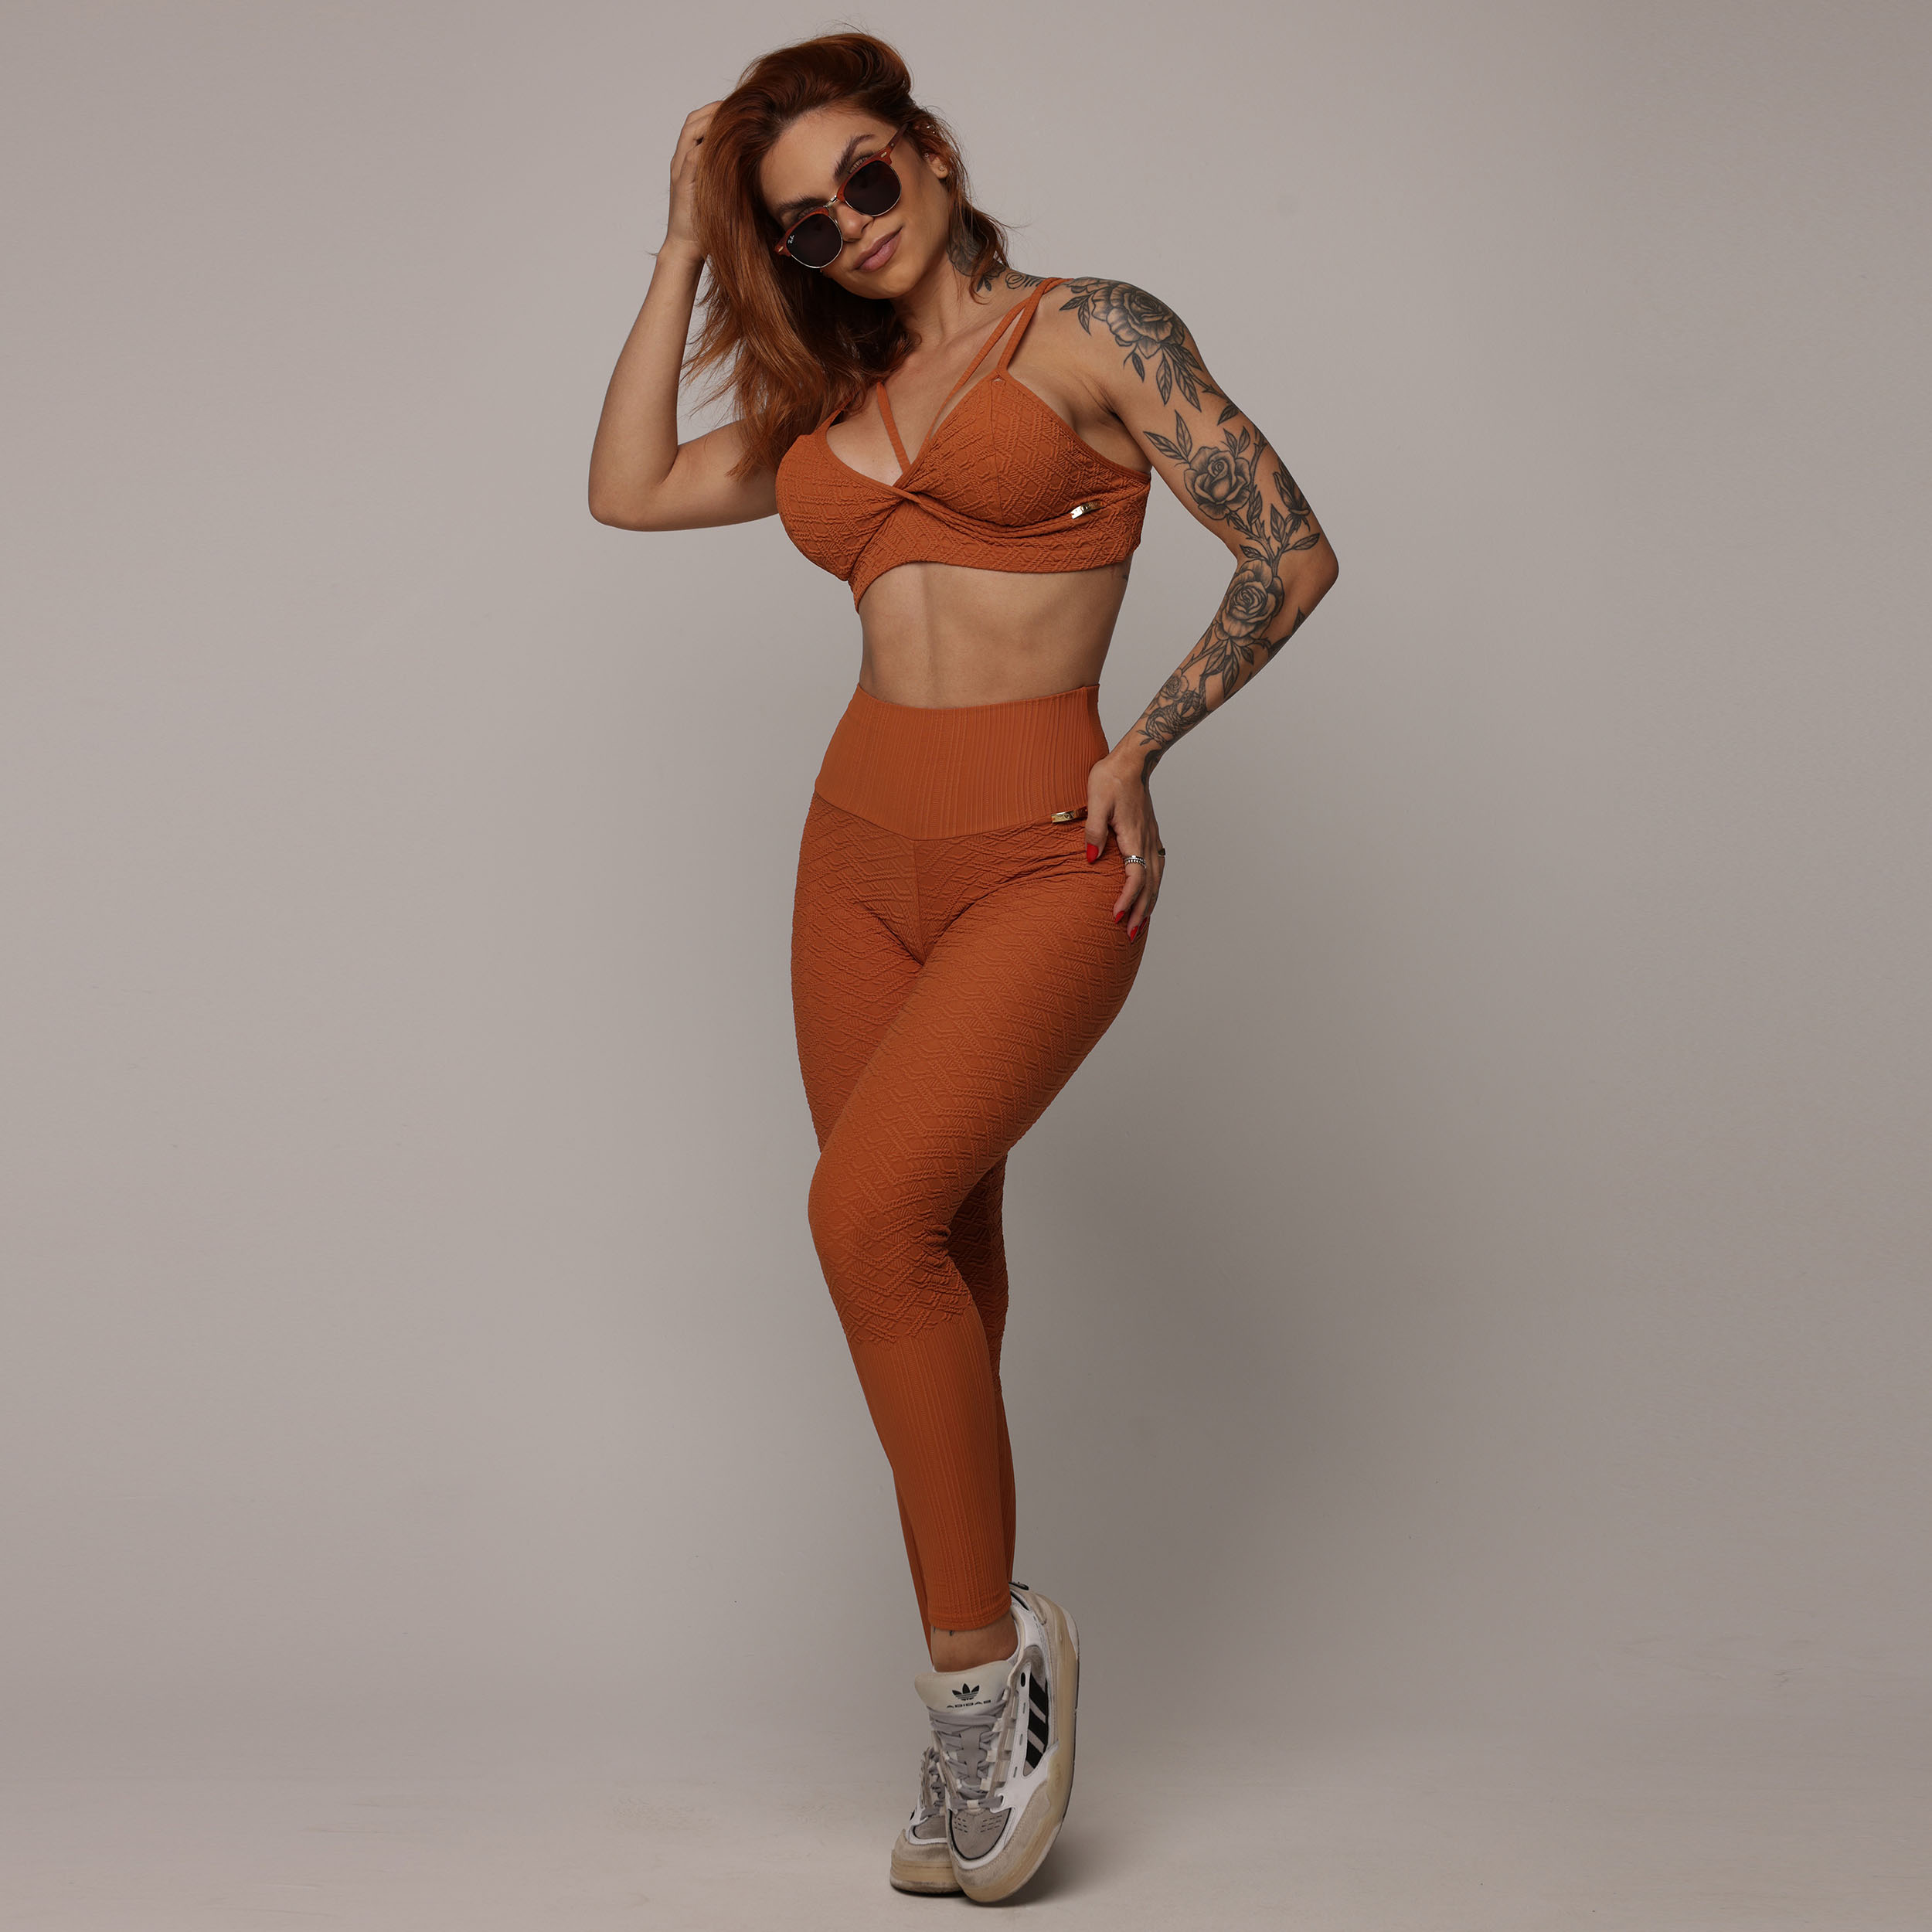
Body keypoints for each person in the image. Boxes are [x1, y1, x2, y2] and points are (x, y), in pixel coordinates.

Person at [587, 29, 1338, 1902]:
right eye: (799, 220)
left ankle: (977, 1682)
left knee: (858, 1220)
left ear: (925, 151)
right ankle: (982, 1662)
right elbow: (625, 487)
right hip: (852, 859)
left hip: (1039, 853)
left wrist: (1145, 739)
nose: (846, 225)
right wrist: (680, 240)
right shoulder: (827, 389)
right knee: (925, 1241)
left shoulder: (1088, 330)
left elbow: (1288, 547)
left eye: (863, 176)